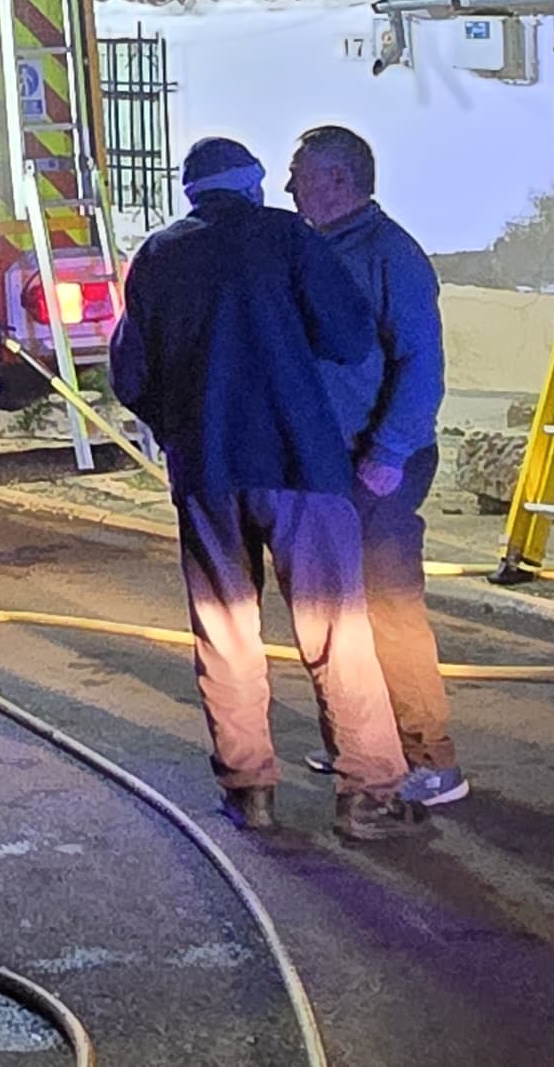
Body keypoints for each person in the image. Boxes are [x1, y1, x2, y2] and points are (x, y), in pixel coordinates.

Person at [110, 136, 425, 842]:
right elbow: (348, 338)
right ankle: (368, 795)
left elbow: (129, 374)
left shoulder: (159, 255)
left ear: (192, 195)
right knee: (335, 630)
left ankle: (250, 791)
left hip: (208, 474)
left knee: (225, 630)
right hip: (303, 464)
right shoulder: (289, 238)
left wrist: (182, 423)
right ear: (253, 189)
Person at [287, 125, 464, 808]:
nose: (288, 185)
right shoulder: (316, 249)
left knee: (389, 609)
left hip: (377, 466)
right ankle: (366, 746)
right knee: (338, 610)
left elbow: (422, 364)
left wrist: (388, 454)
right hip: (332, 464)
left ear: (338, 181)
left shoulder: (392, 257)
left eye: (299, 173)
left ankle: (433, 760)